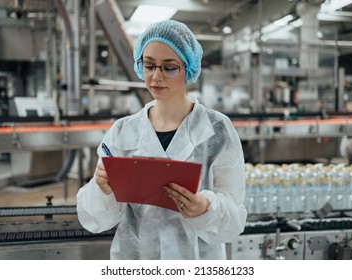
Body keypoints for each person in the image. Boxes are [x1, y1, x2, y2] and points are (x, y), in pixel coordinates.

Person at [76, 20, 247, 260]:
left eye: (169, 68)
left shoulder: (216, 131)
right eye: (149, 66)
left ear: (188, 68)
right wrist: (101, 189)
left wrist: (204, 209)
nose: (156, 77)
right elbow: (96, 220)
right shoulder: (123, 132)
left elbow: (234, 219)